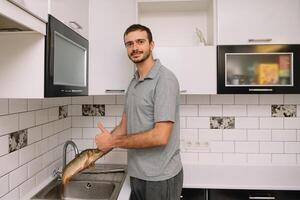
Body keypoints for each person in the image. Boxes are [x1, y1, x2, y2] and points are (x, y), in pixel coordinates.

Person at [95, 24, 183, 200]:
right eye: (129, 44)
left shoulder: (164, 80)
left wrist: (112, 141)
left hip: (160, 178)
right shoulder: (134, 82)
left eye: (140, 42)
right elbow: (124, 126)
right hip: (137, 175)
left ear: (151, 45)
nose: (135, 48)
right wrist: (93, 155)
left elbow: (161, 136)